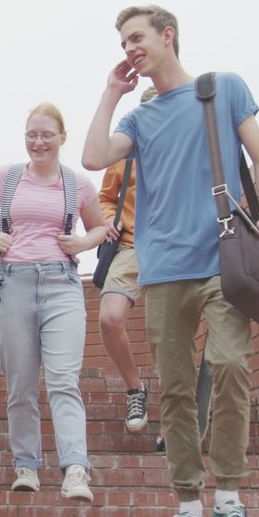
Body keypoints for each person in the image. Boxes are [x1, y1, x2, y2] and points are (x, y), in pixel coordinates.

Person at [81, 4, 259, 517]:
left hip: (224, 258)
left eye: (137, 38)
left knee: (232, 365)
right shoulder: (139, 118)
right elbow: (95, 155)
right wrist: (111, 92)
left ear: (168, 36)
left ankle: (231, 499)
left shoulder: (222, 89)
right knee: (173, 389)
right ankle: (189, 507)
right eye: (123, 42)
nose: (129, 49)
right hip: (163, 268)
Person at [0, 103, 107, 502]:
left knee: (63, 380)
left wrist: (82, 242)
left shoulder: (78, 184)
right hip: (14, 283)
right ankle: (26, 465)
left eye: (46, 134)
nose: (38, 142)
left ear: (62, 137)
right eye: (31, 135)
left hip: (62, 283)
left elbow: (99, 228)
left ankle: (76, 468)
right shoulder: (7, 178)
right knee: (20, 384)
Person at [96, 86, 156, 434]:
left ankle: (182, 419)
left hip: (177, 246)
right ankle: (136, 387)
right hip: (131, 244)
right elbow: (106, 197)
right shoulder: (125, 154)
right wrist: (108, 219)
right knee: (109, 318)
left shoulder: (187, 150)